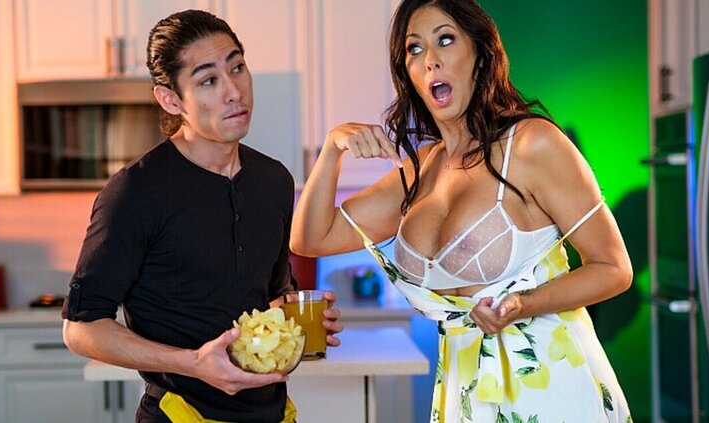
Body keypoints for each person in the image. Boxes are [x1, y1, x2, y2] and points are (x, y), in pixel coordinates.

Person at [290, 0, 632, 421]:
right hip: (464, 396)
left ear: (480, 54)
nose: (430, 60)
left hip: (551, 389)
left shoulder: (531, 144)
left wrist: (523, 303)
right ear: (408, 74)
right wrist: (331, 149)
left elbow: (613, 268)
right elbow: (310, 238)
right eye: (415, 49)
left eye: (446, 40)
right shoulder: (418, 172)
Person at [61, 10, 342, 423]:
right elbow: (81, 328)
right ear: (171, 99)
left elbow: (268, 296)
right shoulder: (136, 192)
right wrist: (192, 362)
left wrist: (295, 321)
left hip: (273, 413)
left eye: (237, 68)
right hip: (180, 413)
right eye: (208, 80)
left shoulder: (273, 180)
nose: (234, 91)